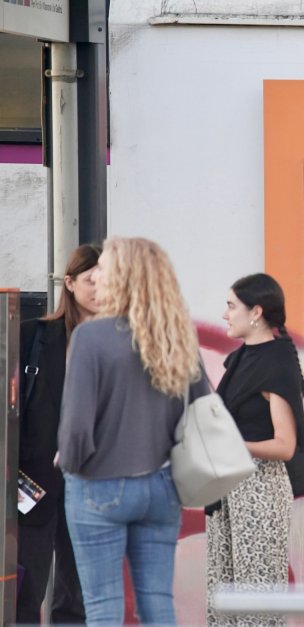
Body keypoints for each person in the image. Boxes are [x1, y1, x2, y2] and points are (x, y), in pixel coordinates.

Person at [58, 237, 209, 624]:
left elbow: (76, 430)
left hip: (98, 483)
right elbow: (200, 413)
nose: (97, 278)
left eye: (104, 270)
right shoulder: (177, 337)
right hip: (162, 486)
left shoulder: (90, 337)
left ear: (122, 278)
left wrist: (69, 463)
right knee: (157, 602)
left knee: (103, 605)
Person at [207, 273, 304, 626]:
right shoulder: (241, 358)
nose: (225, 314)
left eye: (231, 306)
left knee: (256, 602)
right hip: (227, 489)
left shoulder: (276, 362)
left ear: (256, 312)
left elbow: (285, 445)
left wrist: (231, 443)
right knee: (225, 601)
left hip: (259, 493)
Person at [15, 243, 99, 625]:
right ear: (70, 283)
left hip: (91, 479)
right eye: (91, 280)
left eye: (108, 281)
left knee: (78, 588)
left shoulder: (117, 343)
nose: (100, 288)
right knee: (26, 583)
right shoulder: (35, 335)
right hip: (33, 479)